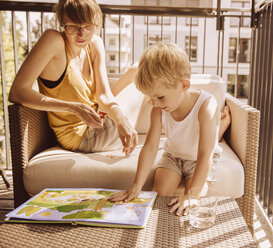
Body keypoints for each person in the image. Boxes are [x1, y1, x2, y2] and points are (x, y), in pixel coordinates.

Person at [9, 0, 137, 154]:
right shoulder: (54, 41)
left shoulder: (95, 44)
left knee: (138, 70)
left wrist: (120, 118)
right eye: (74, 27)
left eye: (88, 27)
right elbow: (17, 92)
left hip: (98, 121)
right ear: (62, 24)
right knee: (141, 81)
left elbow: (103, 95)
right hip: (80, 138)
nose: (82, 34)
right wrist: (73, 108)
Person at [109, 42, 223, 216]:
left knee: (192, 202)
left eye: (160, 97)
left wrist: (191, 196)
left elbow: (204, 155)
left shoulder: (205, 106)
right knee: (159, 196)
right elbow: (151, 146)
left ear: (184, 85)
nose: (154, 103)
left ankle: (223, 125)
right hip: (173, 156)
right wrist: (136, 185)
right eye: (150, 97)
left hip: (198, 160)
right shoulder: (158, 108)